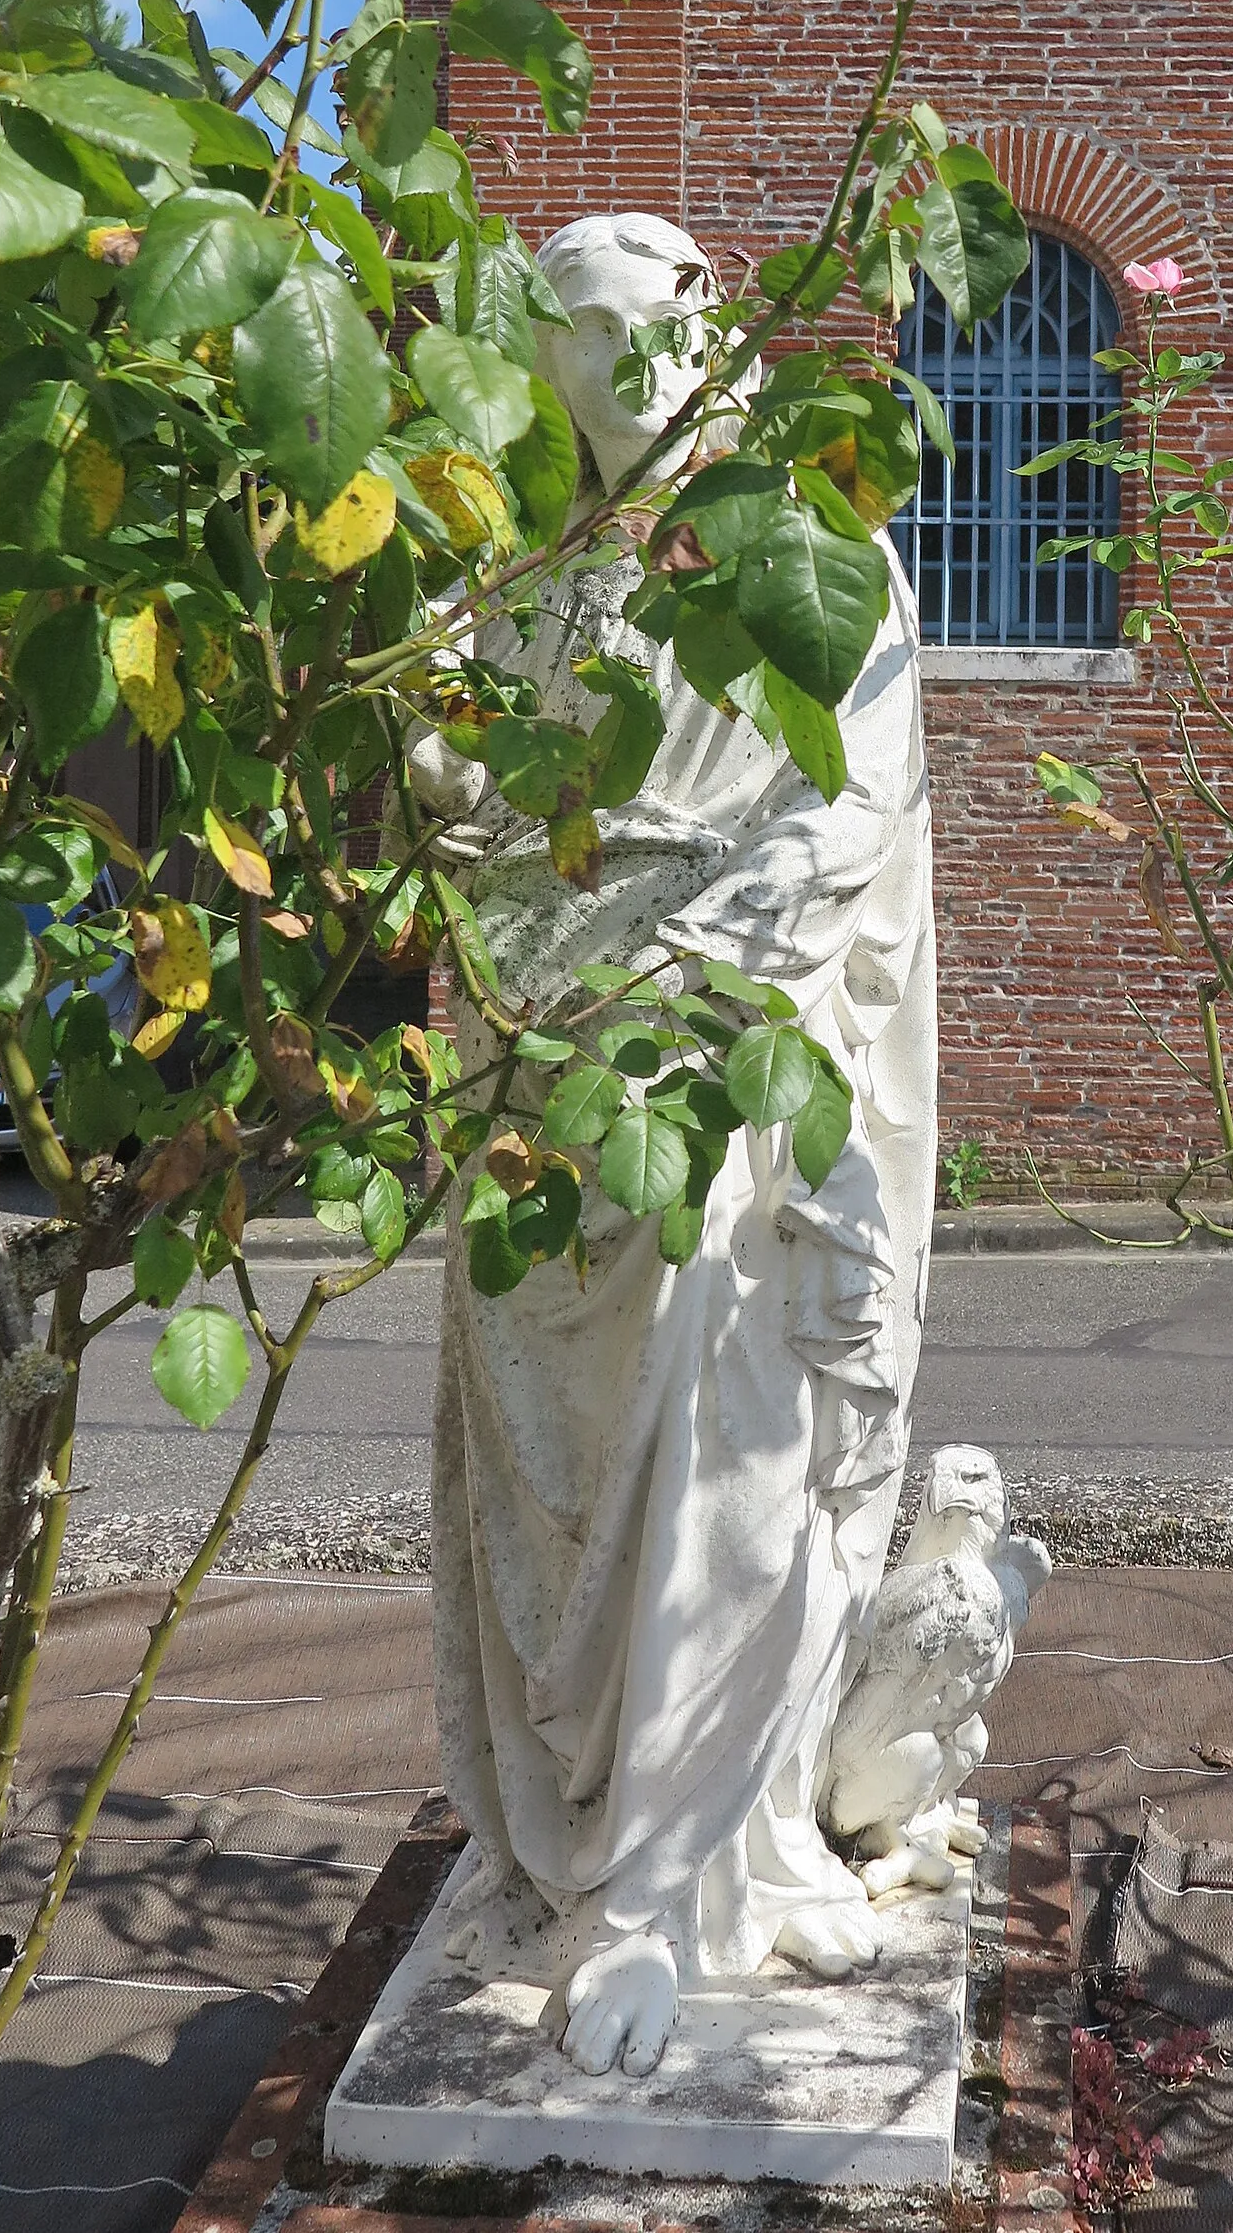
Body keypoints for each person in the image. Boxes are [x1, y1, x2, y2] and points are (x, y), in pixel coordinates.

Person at [410, 214, 937, 2078]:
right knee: (536, 1479)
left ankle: (673, 1878)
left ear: (713, 338)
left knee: (725, 1454)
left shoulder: (809, 555)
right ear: (542, 362)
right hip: (524, 1064)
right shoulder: (520, 569)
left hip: (710, 1077)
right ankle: (562, 1841)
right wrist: (446, 778)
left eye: (662, 335)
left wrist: (688, 984)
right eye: (593, 342)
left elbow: (848, 816)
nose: (633, 376)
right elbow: (462, 796)